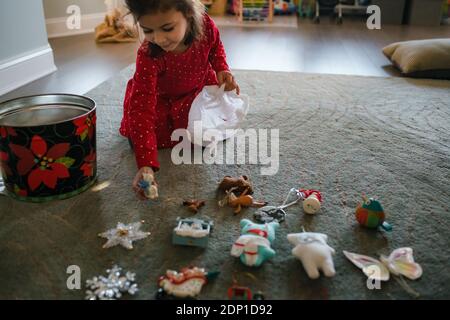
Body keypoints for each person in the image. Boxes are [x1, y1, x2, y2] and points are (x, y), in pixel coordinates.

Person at [120, 0, 239, 199]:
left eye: (167, 28)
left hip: (196, 91)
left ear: (189, 15)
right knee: (140, 132)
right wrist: (146, 164)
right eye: (147, 30)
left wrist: (221, 68)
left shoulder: (206, 26)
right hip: (160, 100)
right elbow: (142, 109)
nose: (158, 39)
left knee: (203, 132)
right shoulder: (149, 53)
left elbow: (215, 47)